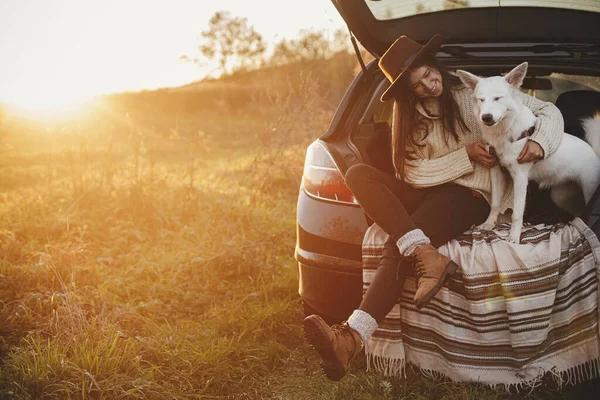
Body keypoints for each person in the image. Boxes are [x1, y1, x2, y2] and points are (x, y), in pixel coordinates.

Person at [303, 34, 565, 381]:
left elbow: (549, 110)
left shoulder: (474, 97)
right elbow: (412, 171)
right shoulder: (411, 119)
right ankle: (427, 254)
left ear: (435, 65)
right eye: (418, 85)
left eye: (428, 74)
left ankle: (350, 338)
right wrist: (465, 155)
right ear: (409, 92)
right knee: (357, 173)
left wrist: (539, 142)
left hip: (467, 196)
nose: (429, 85)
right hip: (425, 192)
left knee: (395, 246)